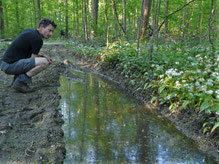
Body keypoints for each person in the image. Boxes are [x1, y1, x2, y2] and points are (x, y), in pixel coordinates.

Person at [0, 18, 57, 93]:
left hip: (5, 64)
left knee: (40, 60)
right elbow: (32, 60)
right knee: (45, 62)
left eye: (52, 31)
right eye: (49, 30)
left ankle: (16, 81)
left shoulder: (30, 32)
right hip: (9, 67)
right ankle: (20, 82)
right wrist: (44, 59)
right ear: (42, 27)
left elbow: (28, 55)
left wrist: (43, 56)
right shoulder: (37, 39)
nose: (51, 34)